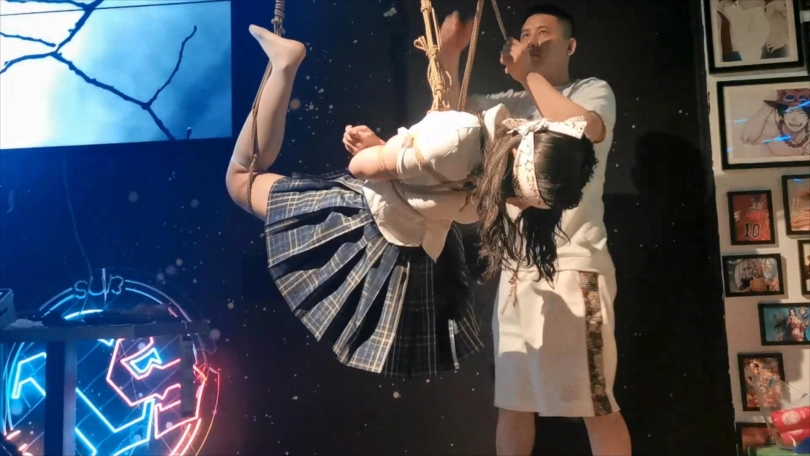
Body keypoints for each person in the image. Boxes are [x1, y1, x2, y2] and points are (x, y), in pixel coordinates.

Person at [225, 25, 598, 379]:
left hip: (370, 226)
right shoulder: (490, 189)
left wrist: (381, 152)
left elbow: (360, 167)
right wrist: (390, 155)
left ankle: (284, 66)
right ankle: (283, 65)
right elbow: (433, 185)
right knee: (244, 182)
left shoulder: (465, 140)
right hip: (411, 254)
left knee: (241, 180)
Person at [439, 4, 632, 455]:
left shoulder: (591, 90)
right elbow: (450, 123)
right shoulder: (509, 101)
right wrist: (448, 57)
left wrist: (528, 75)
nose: (532, 41)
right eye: (526, 33)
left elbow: (584, 128)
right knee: (513, 404)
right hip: (515, 272)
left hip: (573, 267)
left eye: (544, 33)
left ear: (570, 45)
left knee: (594, 403)